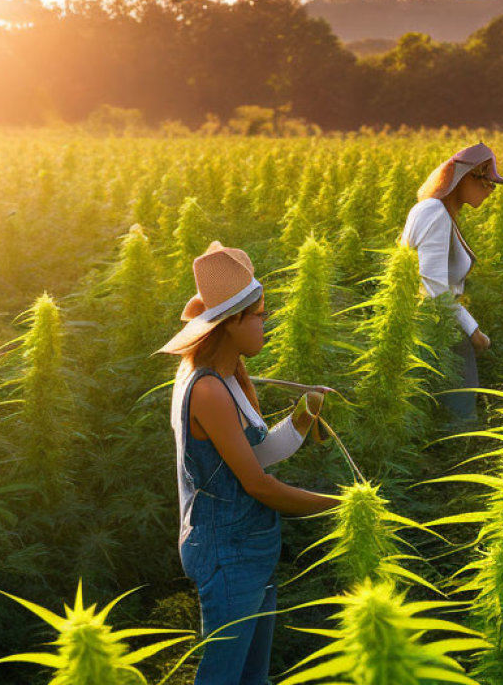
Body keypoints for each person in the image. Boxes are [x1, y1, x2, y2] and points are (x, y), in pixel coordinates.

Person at [158, 241, 338, 685]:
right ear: (231, 322)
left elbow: (259, 453)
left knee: (252, 677)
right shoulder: (207, 389)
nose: (265, 324)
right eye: (259, 316)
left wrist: (303, 412)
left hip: (251, 544)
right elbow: (258, 483)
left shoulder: (231, 375)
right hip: (226, 552)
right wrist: (337, 505)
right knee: (221, 677)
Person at [400, 142, 503, 421]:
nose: (491, 192)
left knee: (441, 412)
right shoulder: (434, 212)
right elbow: (433, 286)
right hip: (438, 325)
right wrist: (473, 330)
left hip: (440, 321)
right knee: (458, 417)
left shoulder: (439, 211)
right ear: (467, 177)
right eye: (489, 183)